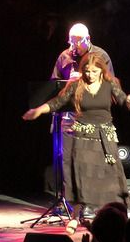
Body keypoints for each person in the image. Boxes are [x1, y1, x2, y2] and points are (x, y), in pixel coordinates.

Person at [23, 52, 130, 234]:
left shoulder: (110, 84)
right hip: (83, 137)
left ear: (101, 70)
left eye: (93, 71)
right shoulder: (76, 85)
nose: (89, 75)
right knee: (81, 179)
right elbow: (57, 102)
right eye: (86, 71)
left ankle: (116, 216)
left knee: (111, 178)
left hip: (105, 137)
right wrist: (39, 110)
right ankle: (76, 217)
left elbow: (126, 103)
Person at [48, 23, 114, 207]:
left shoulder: (101, 56)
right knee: (68, 160)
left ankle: (93, 203)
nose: (74, 46)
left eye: (78, 42)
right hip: (69, 116)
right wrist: (69, 82)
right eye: (71, 42)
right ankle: (70, 203)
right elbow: (53, 85)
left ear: (88, 39)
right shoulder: (64, 56)